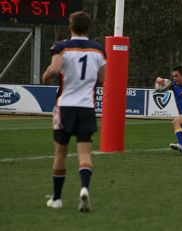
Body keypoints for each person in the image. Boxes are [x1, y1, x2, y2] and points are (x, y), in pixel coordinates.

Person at [42, 11, 105, 211]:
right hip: (86, 107)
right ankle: (84, 189)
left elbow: (55, 68)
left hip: (65, 106)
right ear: (88, 28)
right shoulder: (98, 50)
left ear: (71, 26)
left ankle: (57, 199)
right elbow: (102, 78)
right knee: (85, 153)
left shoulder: (62, 47)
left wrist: (46, 75)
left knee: (60, 152)